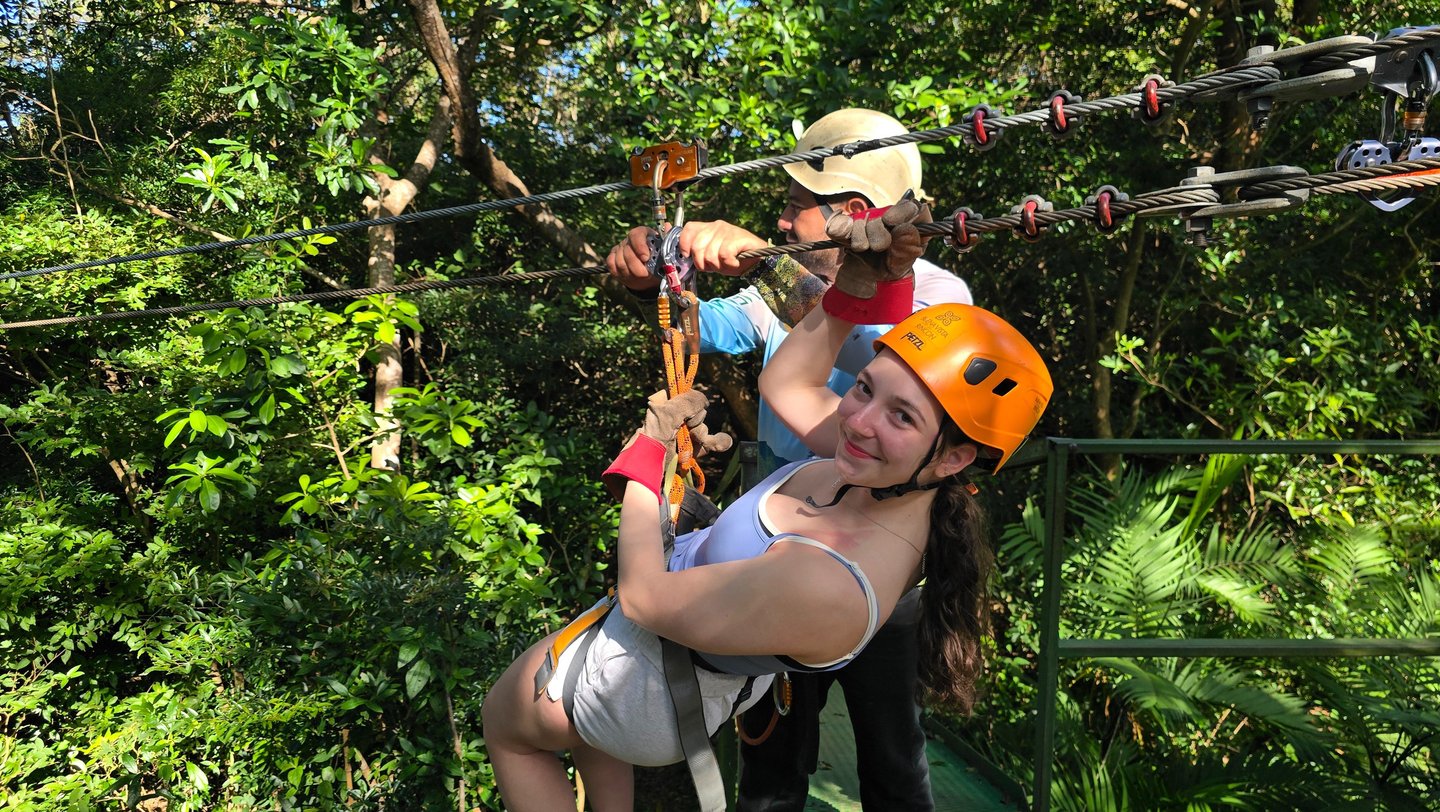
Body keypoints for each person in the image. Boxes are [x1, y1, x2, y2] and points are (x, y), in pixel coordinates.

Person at [480, 195, 1053, 812]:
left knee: (505, 729)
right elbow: (789, 383)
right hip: (657, 676)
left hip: (641, 684)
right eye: (864, 388)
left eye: (902, 416)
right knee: (600, 755)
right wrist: (850, 292)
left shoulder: (830, 576)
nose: (857, 420)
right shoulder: (886, 482)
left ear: (956, 458)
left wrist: (646, 462)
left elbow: (643, 597)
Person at [605, 108, 971, 809]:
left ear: (852, 214)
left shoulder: (937, 296)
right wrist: (654, 275)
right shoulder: (777, 290)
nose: (779, 222)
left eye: (795, 206)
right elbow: (698, 328)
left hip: (878, 570)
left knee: (895, 761)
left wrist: (769, 267)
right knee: (773, 765)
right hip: (776, 557)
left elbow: (880, 353)